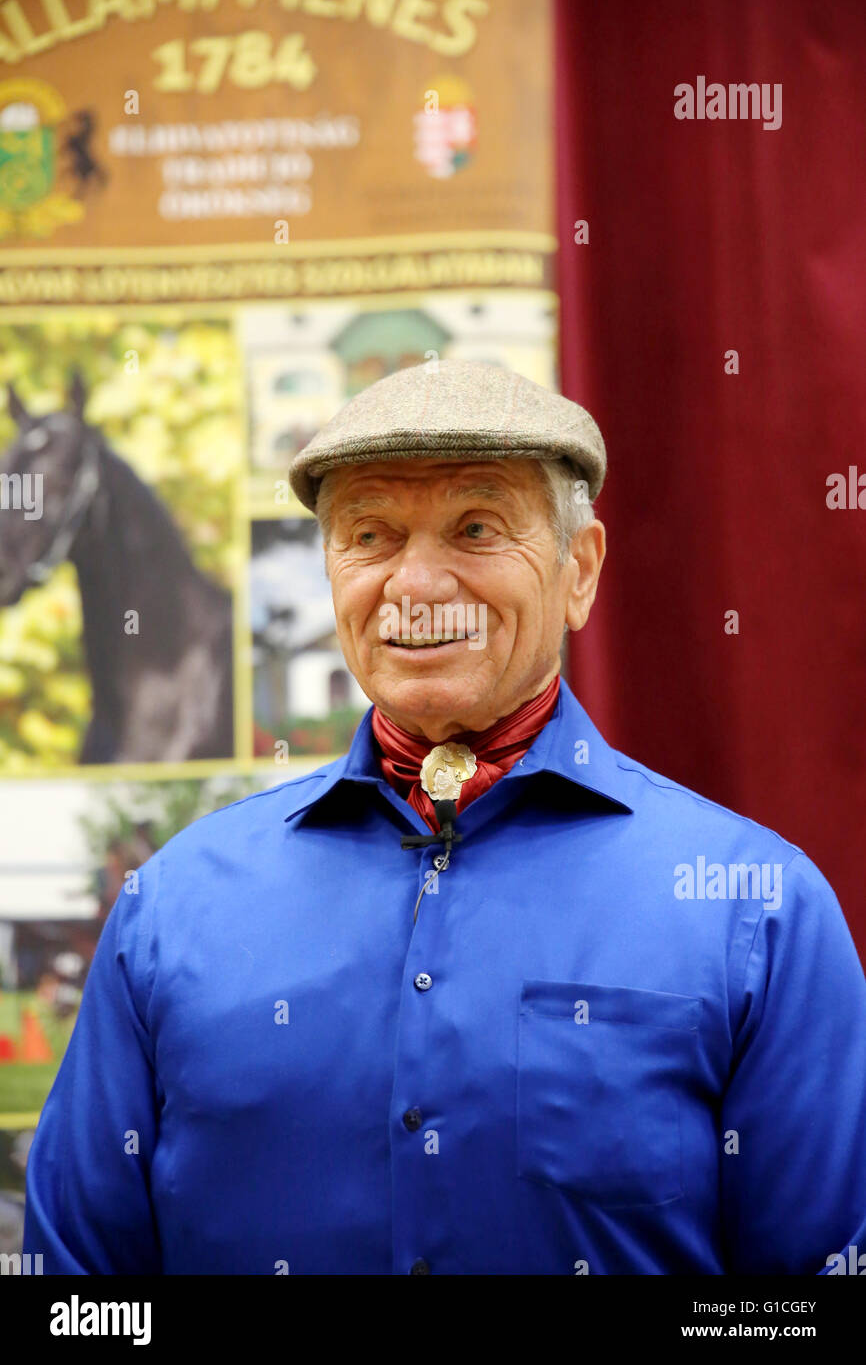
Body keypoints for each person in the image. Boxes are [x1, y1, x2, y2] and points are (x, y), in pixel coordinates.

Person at [23, 359, 866, 1274]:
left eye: (476, 528)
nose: (415, 582)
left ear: (578, 570)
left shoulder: (757, 910)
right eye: (371, 535)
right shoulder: (172, 908)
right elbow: (82, 1296)